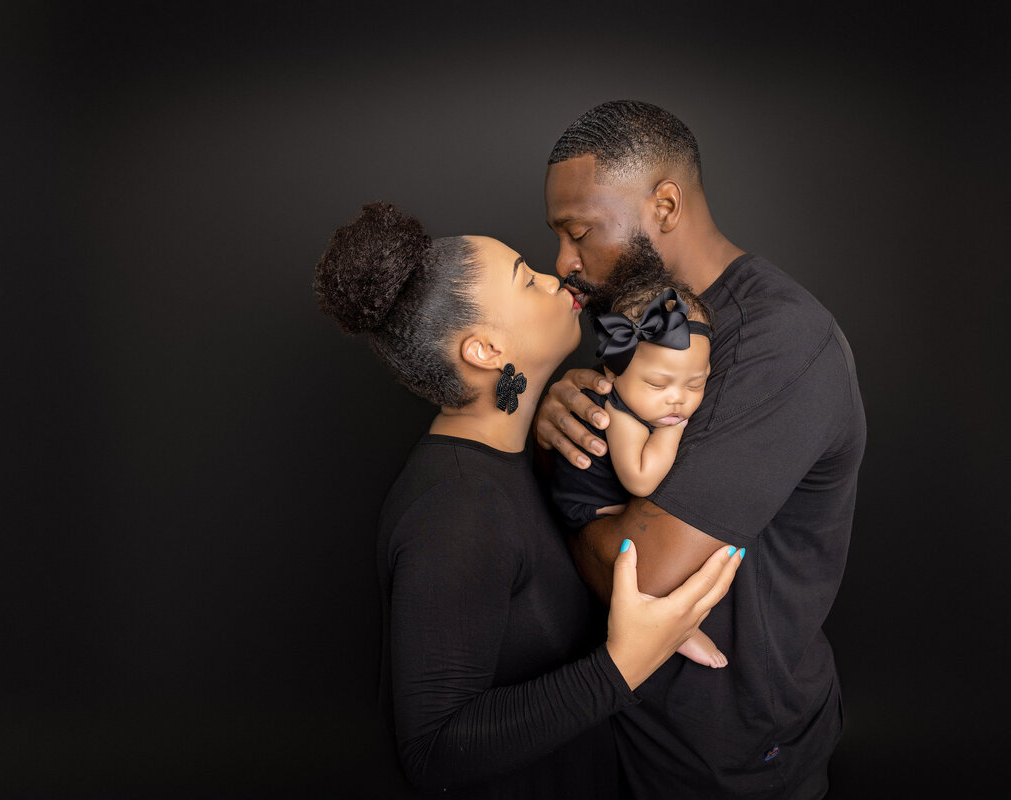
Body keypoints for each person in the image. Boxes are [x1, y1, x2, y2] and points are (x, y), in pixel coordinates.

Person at [312, 201, 744, 799]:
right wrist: (623, 664)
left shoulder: (514, 463)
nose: (554, 277)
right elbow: (432, 751)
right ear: (485, 350)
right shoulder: (455, 507)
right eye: (526, 278)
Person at [535, 100, 867, 799]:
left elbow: (645, 579)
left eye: (579, 232)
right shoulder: (642, 318)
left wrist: (568, 514)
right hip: (620, 729)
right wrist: (560, 419)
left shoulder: (782, 344)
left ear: (663, 205)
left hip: (728, 758)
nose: (563, 263)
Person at [550, 247, 726, 668]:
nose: (677, 399)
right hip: (589, 507)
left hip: (609, 499)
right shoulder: (620, 413)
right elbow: (641, 479)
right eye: (658, 384)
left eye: (695, 384)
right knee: (643, 557)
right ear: (613, 372)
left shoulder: (645, 400)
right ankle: (676, 630)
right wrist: (672, 430)